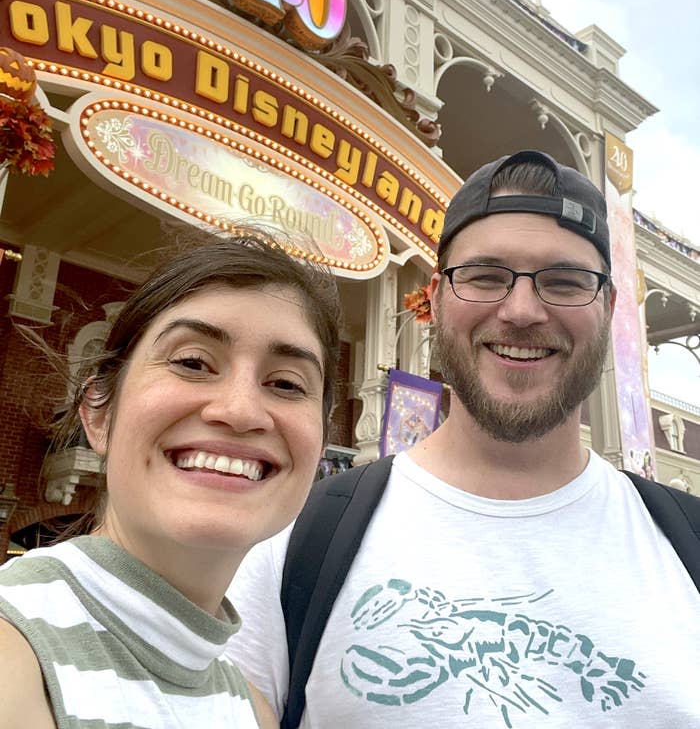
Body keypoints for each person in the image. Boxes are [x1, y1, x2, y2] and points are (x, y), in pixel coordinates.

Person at [226, 151, 700, 728]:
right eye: (485, 277)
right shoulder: (292, 543)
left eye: (565, 282)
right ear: (436, 298)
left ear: (609, 307)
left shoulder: (687, 544)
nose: (522, 310)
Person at [0, 230, 340, 729]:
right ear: (98, 412)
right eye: (192, 362)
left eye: (286, 384)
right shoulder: (15, 652)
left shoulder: (253, 711)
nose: (241, 411)